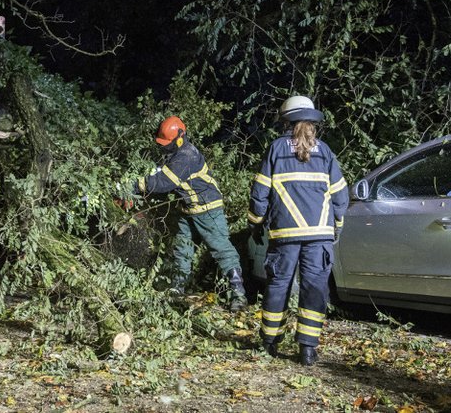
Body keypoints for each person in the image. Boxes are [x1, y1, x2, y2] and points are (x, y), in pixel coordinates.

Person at [248, 96, 348, 366]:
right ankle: (307, 350)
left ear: (286, 121)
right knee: (314, 288)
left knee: (278, 286)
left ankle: (269, 343)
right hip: (319, 236)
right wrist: (335, 226)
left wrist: (255, 222)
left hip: (284, 236)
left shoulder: (276, 150)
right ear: (313, 123)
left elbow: (260, 192)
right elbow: (340, 196)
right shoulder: (325, 152)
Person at [132, 116, 247, 312]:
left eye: (166, 144)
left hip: (208, 209)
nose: (163, 147)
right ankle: (177, 290)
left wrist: (135, 185)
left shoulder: (186, 156)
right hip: (187, 209)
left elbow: (163, 182)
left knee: (221, 249)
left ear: (179, 138)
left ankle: (238, 294)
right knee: (182, 250)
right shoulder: (175, 155)